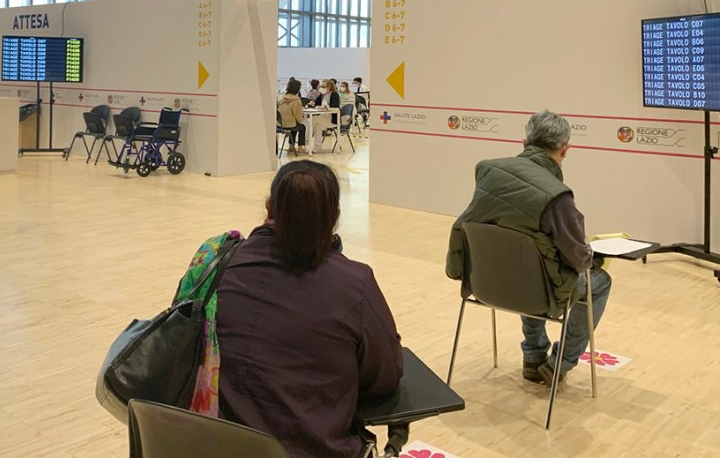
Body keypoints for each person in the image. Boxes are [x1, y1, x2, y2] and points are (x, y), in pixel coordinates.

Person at [214, 161, 403, 458]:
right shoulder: (356, 285)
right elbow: (385, 377)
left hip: (214, 444)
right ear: (335, 216)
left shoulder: (218, 263)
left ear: (269, 207)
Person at [446, 110, 611, 385]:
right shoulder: (556, 195)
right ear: (565, 150)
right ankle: (560, 363)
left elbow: (466, 223)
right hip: (534, 290)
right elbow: (577, 257)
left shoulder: (488, 171)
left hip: (485, 283)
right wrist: (592, 258)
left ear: (524, 143)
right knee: (599, 281)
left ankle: (533, 357)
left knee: (529, 259)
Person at [277, 79, 307, 156]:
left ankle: (291, 146)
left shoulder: (281, 97)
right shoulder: (296, 100)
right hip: (290, 124)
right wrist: (300, 121)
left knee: (294, 124)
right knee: (301, 127)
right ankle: (300, 148)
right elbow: (298, 116)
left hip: (279, 124)